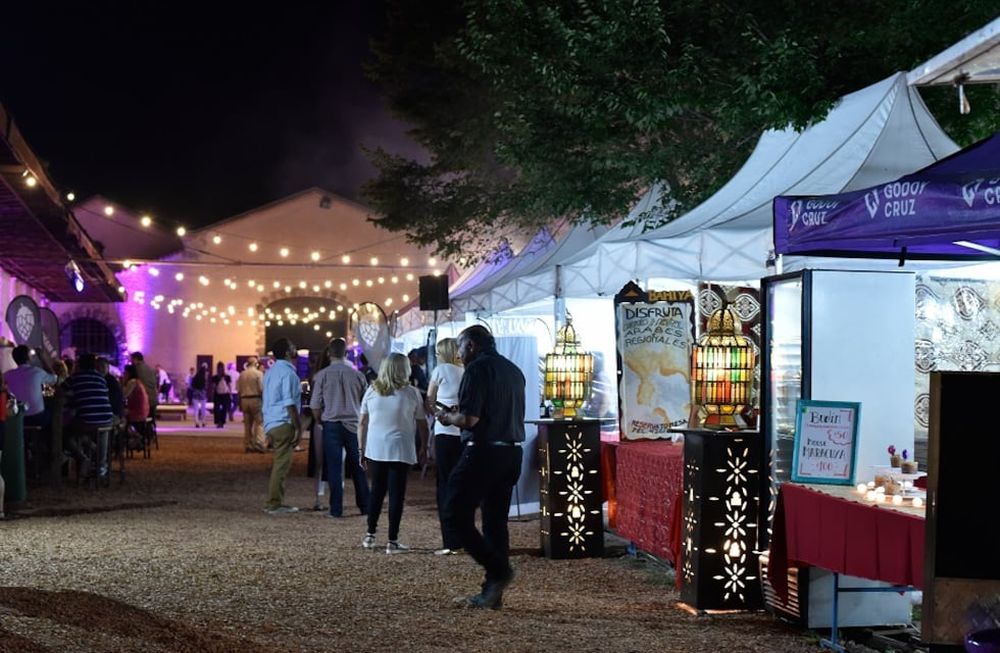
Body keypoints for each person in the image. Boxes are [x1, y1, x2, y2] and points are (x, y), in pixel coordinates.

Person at [436, 325, 525, 609]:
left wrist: (449, 418)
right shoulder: (514, 370)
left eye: (461, 348)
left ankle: (499, 571)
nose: (459, 355)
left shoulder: (476, 370)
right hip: (511, 452)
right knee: (495, 522)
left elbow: (470, 419)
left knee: (454, 513)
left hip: (483, 450)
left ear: (471, 345)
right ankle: (493, 592)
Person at [359, 353, 428, 554]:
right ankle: (392, 540)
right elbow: (422, 424)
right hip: (400, 447)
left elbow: (362, 423)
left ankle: (370, 535)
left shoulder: (372, 390)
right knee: (397, 495)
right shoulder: (411, 392)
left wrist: (361, 449)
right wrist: (425, 445)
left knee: (377, 492)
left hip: (375, 447)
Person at [309, 337, 370, 518]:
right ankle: (365, 506)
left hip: (332, 424)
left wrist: (319, 420)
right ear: (346, 353)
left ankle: (336, 509)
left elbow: (314, 404)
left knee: (334, 468)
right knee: (359, 467)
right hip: (353, 424)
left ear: (329, 353)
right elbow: (366, 402)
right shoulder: (358, 375)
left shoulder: (322, 375)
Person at [426, 338, 465, 555]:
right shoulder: (465, 371)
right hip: (462, 432)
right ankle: (463, 535)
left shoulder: (440, 370)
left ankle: (449, 539)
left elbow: (429, 400)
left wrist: (438, 412)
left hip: (445, 433)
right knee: (461, 484)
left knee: (444, 484)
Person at [262, 338, 302, 514]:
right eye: (292, 347)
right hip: (283, 421)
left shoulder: (270, 373)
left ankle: (275, 501)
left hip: (271, 421)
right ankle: (274, 503)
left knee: (279, 464)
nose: (295, 349)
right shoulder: (289, 374)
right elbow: (289, 402)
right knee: (281, 465)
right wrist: (298, 427)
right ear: (287, 352)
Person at [63, 353, 115, 478]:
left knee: (65, 433)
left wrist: (72, 396)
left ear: (79, 364)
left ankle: (82, 457)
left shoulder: (75, 377)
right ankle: (101, 466)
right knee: (101, 431)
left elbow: (60, 390)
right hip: (107, 418)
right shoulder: (101, 378)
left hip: (87, 420)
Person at [3, 345, 57, 432]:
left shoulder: (8, 375)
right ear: (28, 357)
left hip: (19, 418)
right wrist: (42, 358)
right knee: (51, 412)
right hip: (38, 417)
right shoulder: (36, 371)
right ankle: (44, 443)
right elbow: (54, 378)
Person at [237, 357, 265, 452]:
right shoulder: (258, 374)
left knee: (248, 424)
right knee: (260, 422)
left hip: (244, 399)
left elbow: (239, 389)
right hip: (255, 399)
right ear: (256, 363)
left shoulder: (242, 374)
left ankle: (248, 444)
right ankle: (259, 443)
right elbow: (261, 388)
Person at [130, 352, 159, 421]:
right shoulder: (150, 368)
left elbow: (132, 384)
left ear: (136, 359)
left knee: (140, 422)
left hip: (144, 400)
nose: (130, 362)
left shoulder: (136, 369)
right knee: (151, 421)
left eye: (131, 360)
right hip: (153, 399)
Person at [211, 362, 233, 428]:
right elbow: (229, 386)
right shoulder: (227, 377)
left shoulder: (215, 377)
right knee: (224, 408)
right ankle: (222, 421)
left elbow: (213, 387)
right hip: (225, 394)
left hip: (217, 394)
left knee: (217, 408)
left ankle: (218, 421)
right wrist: (230, 393)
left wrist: (212, 393)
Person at [190, 363, 209, 427]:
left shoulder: (195, 376)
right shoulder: (205, 376)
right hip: (202, 393)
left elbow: (192, 385)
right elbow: (205, 386)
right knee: (203, 408)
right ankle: (203, 422)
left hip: (195, 393)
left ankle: (196, 422)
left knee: (196, 409)